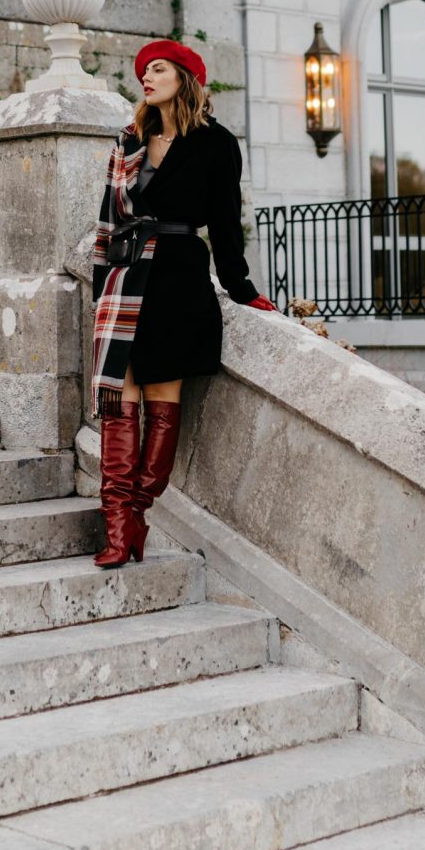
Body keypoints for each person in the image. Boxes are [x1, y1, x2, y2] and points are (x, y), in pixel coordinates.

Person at [89, 39, 278, 568]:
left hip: (178, 280)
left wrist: (241, 288)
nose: (146, 78)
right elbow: (108, 219)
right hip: (127, 281)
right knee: (116, 404)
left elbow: (223, 224)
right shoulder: (130, 139)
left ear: (185, 78)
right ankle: (118, 524)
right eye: (144, 72)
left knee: (161, 403)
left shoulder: (215, 144)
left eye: (159, 70)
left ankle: (138, 512)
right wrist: (101, 285)